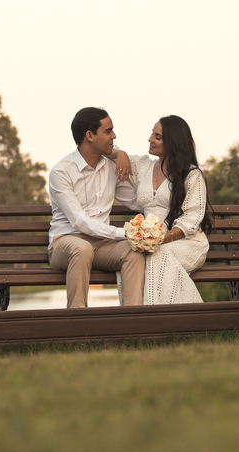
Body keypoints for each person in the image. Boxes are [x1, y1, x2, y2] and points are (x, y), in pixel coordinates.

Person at [48, 107, 145, 308]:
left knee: (134, 251)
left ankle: (133, 322)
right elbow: (79, 222)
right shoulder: (61, 172)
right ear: (90, 136)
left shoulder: (111, 167)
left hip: (101, 245)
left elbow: (137, 202)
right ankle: (78, 324)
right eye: (108, 131)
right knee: (81, 248)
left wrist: (122, 154)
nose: (114, 136)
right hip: (65, 243)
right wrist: (126, 233)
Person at [119, 115, 212, 305]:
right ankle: (136, 318)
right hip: (153, 243)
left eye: (157, 136)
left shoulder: (192, 175)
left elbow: (192, 220)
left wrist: (162, 239)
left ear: (173, 142)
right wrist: (120, 154)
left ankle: (160, 319)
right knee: (134, 258)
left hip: (186, 242)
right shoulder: (143, 167)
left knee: (155, 257)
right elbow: (110, 153)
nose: (150, 139)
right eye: (152, 134)